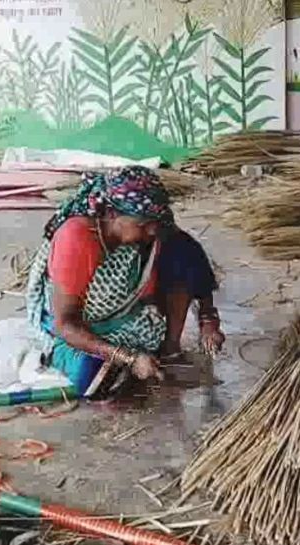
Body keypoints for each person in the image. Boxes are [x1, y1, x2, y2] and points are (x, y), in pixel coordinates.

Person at [25, 166, 225, 400]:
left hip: (126, 319)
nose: (152, 229)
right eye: (143, 224)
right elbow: (65, 323)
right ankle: (106, 356)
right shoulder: (77, 238)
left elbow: (190, 257)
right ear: (111, 214)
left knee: (176, 248)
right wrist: (128, 358)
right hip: (78, 329)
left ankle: (169, 349)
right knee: (94, 379)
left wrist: (208, 320)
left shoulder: (147, 228)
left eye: (154, 221)